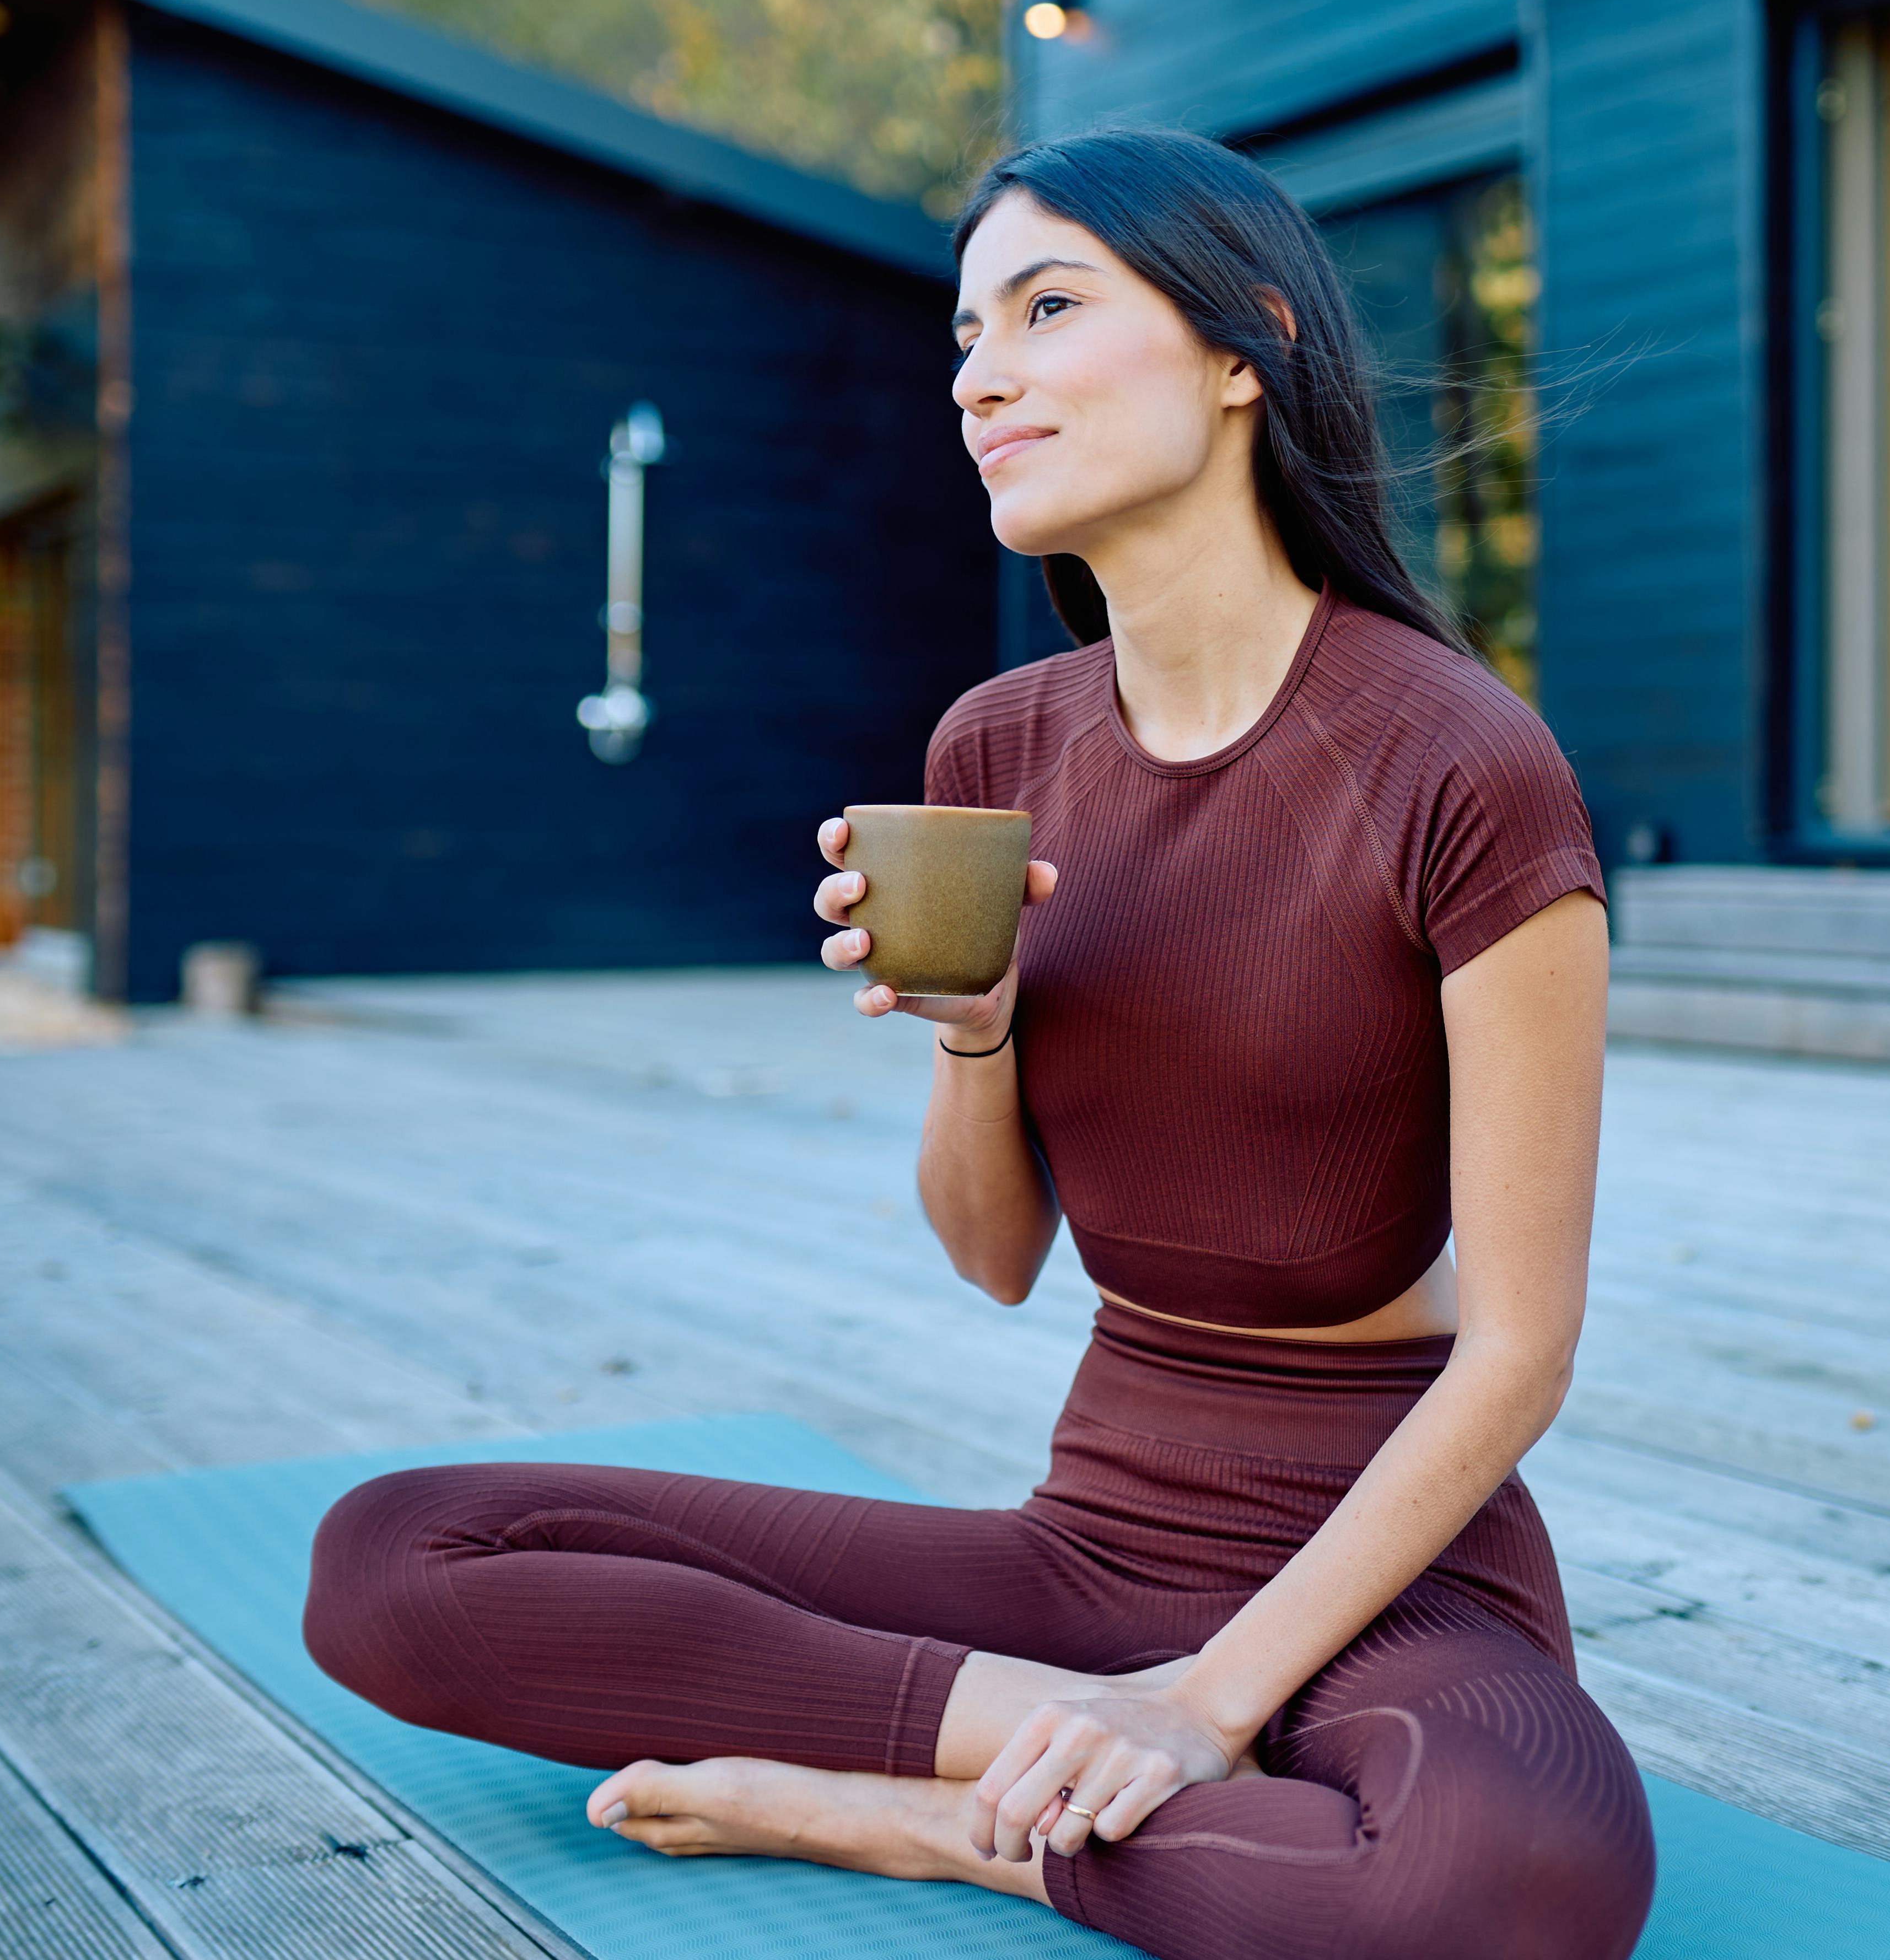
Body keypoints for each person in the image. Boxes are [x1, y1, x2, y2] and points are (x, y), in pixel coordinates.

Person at [301, 124, 1651, 1960]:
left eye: (1045, 308)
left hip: (1386, 1580)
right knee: (395, 1557)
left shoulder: (1457, 764)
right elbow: (996, 1256)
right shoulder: (997, 752)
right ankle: (1071, 1772)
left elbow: (1517, 1350)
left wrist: (1198, 1703)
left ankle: (933, 1826)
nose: (982, 376)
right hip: (1088, 1543)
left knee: (1505, 1893)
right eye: (965, 336)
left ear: (1243, 343)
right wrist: (977, 1035)